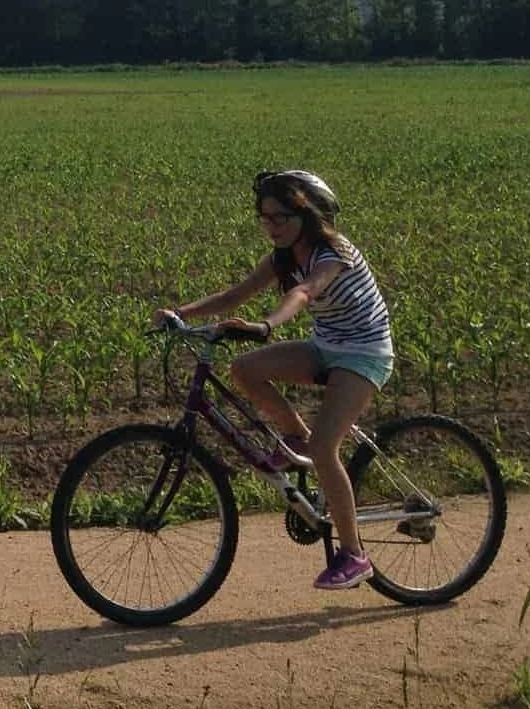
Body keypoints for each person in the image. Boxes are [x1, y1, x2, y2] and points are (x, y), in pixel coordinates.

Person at [154, 168, 394, 591]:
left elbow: (303, 294)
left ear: (309, 214)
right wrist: (182, 313)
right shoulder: (283, 257)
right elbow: (235, 295)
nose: (272, 227)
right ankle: (295, 438)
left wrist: (266, 326)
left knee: (326, 447)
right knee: (245, 369)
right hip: (326, 346)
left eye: (280, 217)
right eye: (265, 218)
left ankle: (355, 556)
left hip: (363, 353)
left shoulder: (334, 251)